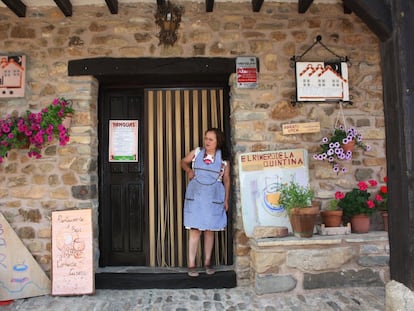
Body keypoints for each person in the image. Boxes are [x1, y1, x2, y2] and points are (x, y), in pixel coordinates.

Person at [181, 128, 231, 277]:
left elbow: (227, 180)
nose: (207, 142)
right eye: (206, 138)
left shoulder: (223, 160)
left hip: (214, 197)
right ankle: (191, 264)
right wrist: (188, 170)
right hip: (196, 196)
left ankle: (208, 262)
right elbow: (183, 161)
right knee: (195, 230)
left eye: (211, 139)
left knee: (210, 230)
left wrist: (226, 200)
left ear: (218, 142)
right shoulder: (197, 153)